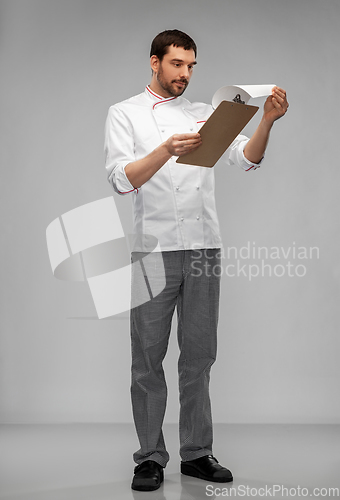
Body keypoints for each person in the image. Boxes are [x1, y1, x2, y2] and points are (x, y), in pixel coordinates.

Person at [104, 29, 288, 492]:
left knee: (200, 356)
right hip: (152, 248)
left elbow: (246, 159)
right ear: (154, 62)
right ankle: (149, 458)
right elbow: (121, 179)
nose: (185, 74)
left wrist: (266, 121)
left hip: (204, 247)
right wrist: (166, 150)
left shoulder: (206, 113)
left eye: (191, 66)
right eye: (176, 65)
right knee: (147, 357)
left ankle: (197, 453)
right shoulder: (124, 113)